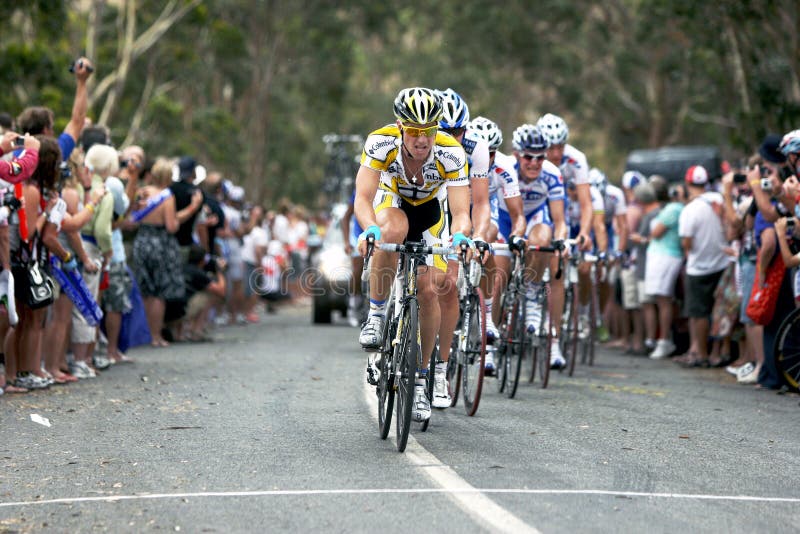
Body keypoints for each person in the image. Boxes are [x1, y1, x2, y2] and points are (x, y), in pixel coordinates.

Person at [355, 87, 471, 422]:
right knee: (391, 230)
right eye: (415, 131)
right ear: (400, 127)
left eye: (430, 131)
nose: (423, 139)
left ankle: (421, 380)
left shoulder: (451, 152)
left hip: (430, 213)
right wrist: (370, 229)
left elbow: (461, 210)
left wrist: (462, 234)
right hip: (393, 204)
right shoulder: (380, 142)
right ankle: (377, 316)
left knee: (429, 288)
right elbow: (363, 197)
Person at [433, 88, 491, 408]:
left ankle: (440, 369)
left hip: (458, 210)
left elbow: (480, 203)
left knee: (449, 284)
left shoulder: (475, 147)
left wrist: (478, 235)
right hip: (428, 206)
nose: (454, 138)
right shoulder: (423, 143)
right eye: (446, 132)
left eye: (459, 131)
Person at [468, 116, 525, 375]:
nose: (487, 159)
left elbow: (518, 216)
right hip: (453, 211)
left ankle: (487, 325)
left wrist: (517, 235)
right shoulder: (457, 157)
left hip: (486, 215)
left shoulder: (503, 168)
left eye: (492, 152)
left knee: (496, 262)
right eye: (484, 153)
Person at [508, 124, 568, 369]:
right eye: (528, 157)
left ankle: (532, 292)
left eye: (540, 157)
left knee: (544, 239)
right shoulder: (505, 169)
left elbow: (560, 221)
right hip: (505, 219)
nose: (534, 162)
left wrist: (562, 240)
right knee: (497, 267)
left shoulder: (552, 174)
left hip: (534, 219)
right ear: (517, 154)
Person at [70, 143, 117, 377]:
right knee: (87, 303)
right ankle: (82, 359)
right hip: (90, 246)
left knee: (71, 302)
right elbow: (102, 230)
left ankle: (71, 358)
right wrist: (108, 252)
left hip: (71, 242)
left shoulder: (78, 185)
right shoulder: (104, 192)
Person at [675, 165, 729, 367]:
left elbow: (686, 242)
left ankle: (701, 353)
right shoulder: (719, 199)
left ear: (688, 184)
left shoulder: (690, 209)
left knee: (698, 313)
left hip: (698, 267)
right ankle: (710, 351)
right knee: (718, 310)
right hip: (722, 262)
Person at [132, 158, 183, 347]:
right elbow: (171, 226)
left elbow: (133, 220)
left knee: (145, 289)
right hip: (160, 243)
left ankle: (144, 333)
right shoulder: (167, 197)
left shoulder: (142, 193)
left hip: (142, 240)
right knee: (158, 292)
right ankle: (155, 335)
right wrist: (178, 221)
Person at [645, 176, 684, 359]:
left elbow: (656, 232)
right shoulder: (667, 208)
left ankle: (664, 340)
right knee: (660, 300)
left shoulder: (673, 208)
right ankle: (663, 339)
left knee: (664, 300)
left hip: (667, 256)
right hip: (660, 256)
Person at [183, 245, 226, 341]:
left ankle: (185, 331)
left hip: (173, 308)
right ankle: (196, 331)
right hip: (183, 310)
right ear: (202, 260)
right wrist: (219, 271)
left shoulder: (183, 268)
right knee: (210, 295)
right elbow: (221, 291)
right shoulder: (198, 272)